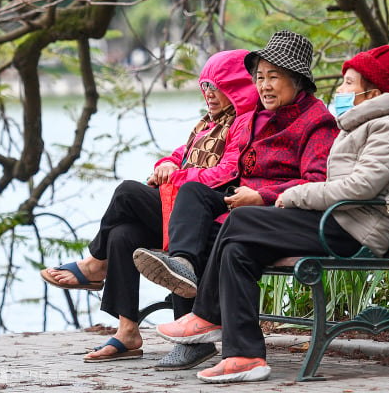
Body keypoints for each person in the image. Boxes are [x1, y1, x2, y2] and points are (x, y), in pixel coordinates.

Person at [154, 44, 389, 383]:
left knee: (239, 220)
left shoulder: (387, 127)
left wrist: (291, 195)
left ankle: (206, 316)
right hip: (336, 219)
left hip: (353, 230)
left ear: (375, 92)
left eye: (348, 83)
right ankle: (245, 355)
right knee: (239, 250)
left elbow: (360, 188)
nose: (339, 90)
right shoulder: (360, 125)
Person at [39, 49, 259, 364]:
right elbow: (178, 154)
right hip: (179, 208)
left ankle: (95, 264)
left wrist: (179, 175)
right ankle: (127, 331)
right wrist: (166, 166)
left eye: (217, 86)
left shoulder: (243, 122)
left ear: (236, 87)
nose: (209, 94)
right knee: (124, 234)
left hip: (207, 214)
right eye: (205, 87)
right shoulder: (207, 125)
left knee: (127, 193)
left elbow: (228, 172)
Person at [132, 29, 338, 301]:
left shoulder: (316, 120)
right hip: (240, 200)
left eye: (273, 77)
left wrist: (260, 196)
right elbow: (214, 156)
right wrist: (174, 166)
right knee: (192, 193)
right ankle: (182, 266)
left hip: (276, 212)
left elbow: (316, 181)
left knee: (205, 232)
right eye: (260, 77)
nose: (264, 86)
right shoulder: (258, 116)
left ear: (298, 80)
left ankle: (199, 324)